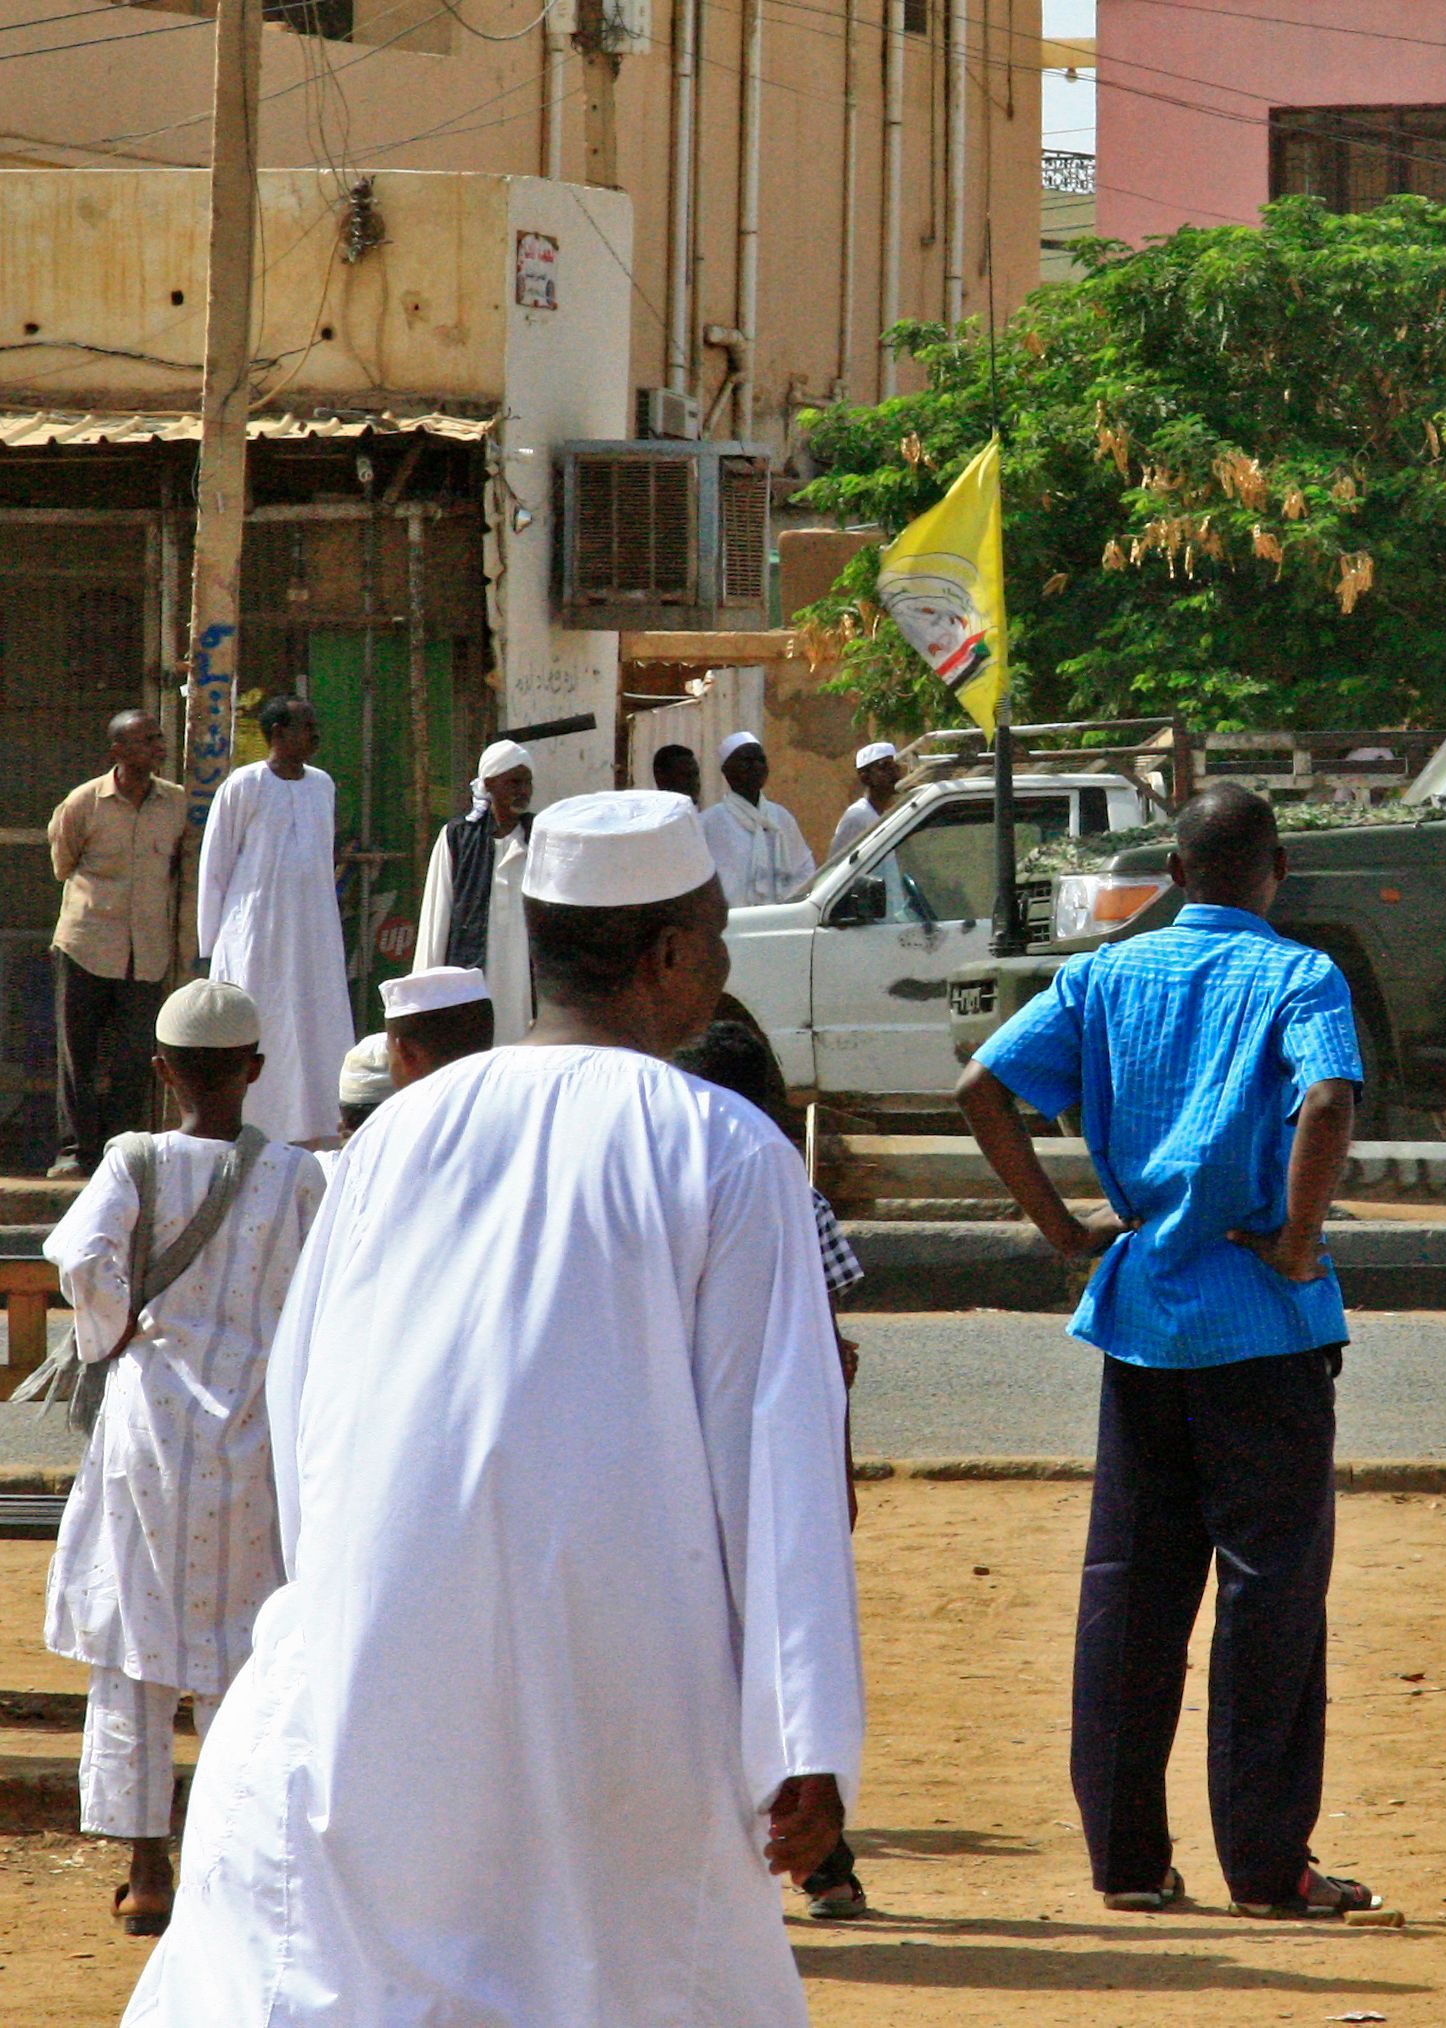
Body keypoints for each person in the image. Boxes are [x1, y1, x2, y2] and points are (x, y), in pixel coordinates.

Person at [124, 791, 865, 2025]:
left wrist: (346, 1600)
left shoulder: (395, 1136)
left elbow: (309, 1414)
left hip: (383, 1656)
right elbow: (776, 1456)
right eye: (719, 936)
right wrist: (802, 1730)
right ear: (673, 951)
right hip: (628, 1686)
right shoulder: (727, 1149)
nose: (723, 965)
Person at [957, 780, 1377, 1921]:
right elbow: (1328, 1099)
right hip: (1263, 1328)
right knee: (1269, 1593)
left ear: (1178, 875)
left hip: (1140, 1315)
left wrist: (1057, 1229)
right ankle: (1266, 1864)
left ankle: (1130, 1861)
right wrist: (1296, 1243)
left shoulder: (1102, 976)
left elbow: (979, 1085)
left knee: (1131, 1590)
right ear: (1275, 870)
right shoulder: (1301, 975)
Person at [40, 978, 325, 1939]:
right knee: (245, 1648)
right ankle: (231, 1853)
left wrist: (115, 1332)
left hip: (149, 1431)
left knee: (136, 1650)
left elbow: (79, 1256)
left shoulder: (134, 1159)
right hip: (249, 1436)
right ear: (255, 1069)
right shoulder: (294, 1176)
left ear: (161, 1072)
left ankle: (146, 1870)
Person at [674, 1013, 872, 1919]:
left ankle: (802, 1851)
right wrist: (834, 1466)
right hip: (769, 1465)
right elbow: (826, 1351)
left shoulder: (668, 1186)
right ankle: (817, 1851)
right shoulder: (788, 1191)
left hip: (691, 1463)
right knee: (785, 1648)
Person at [194, 696, 354, 1148]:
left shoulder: (323, 785)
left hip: (313, 930)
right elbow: (216, 864)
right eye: (307, 726)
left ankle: (318, 1124)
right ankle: (256, 1122)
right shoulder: (245, 785)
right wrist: (212, 945)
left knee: (313, 1017)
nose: (317, 735)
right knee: (262, 1018)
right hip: (256, 929)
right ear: (279, 733)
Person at [49, 711, 191, 1179]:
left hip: (146, 952)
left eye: (159, 738)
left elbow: (177, 870)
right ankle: (75, 1151)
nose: (158, 746)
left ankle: (120, 1152)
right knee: (79, 1053)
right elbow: (63, 863)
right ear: (118, 753)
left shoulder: (174, 804)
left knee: (134, 1056)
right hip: (86, 944)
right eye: (146, 740)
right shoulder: (84, 802)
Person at [411, 740, 535, 1043]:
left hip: (524, 978)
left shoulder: (540, 837)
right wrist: (423, 999)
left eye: (528, 782)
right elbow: (436, 916)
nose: (524, 790)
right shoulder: (458, 837)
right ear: (490, 784)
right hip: (472, 970)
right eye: (514, 782)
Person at [701, 730, 817, 906]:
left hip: (780, 919)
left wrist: (789, 903)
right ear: (726, 770)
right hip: (734, 923)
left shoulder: (781, 817)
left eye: (761, 760)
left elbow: (804, 869)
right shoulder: (709, 822)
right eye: (747, 761)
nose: (756, 766)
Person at [830, 741, 904, 858]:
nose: (894, 773)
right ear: (865, 778)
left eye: (895, 766)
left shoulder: (891, 814)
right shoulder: (857, 817)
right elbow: (838, 865)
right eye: (884, 767)